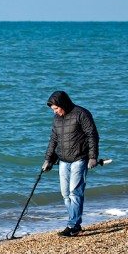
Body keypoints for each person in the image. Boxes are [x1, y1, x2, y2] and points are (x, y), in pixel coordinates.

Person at [41, 91, 99, 237]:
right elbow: (53, 139)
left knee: (75, 192)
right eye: (53, 110)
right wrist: (48, 159)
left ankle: (73, 225)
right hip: (63, 161)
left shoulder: (82, 114)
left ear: (62, 104)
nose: (55, 112)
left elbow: (92, 135)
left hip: (79, 159)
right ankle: (74, 222)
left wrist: (93, 157)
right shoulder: (57, 119)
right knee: (65, 194)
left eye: (56, 108)